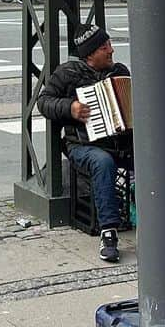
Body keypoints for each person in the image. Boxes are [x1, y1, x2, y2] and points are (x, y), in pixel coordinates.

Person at [38, 25, 131, 264]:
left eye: (109, 44)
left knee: (158, 152)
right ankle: (108, 233)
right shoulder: (69, 74)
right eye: (104, 47)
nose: (111, 50)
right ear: (89, 54)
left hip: (121, 142)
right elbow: (44, 101)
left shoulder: (120, 72)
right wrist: (71, 108)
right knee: (102, 162)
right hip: (82, 145)